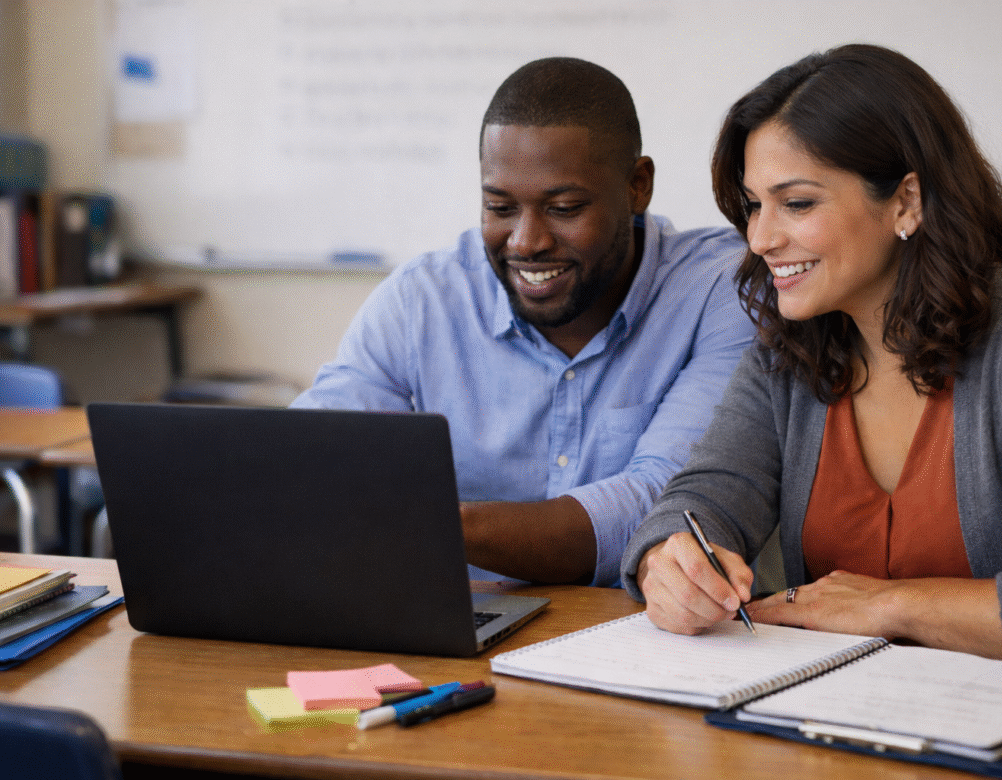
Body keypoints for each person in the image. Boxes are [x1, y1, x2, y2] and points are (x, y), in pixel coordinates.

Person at [621, 44, 1002, 675]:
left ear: (905, 201)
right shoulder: (788, 352)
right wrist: (669, 562)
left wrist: (894, 606)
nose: (761, 238)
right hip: (832, 728)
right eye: (753, 204)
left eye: (797, 204)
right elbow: (701, 500)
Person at [292, 57, 755, 586]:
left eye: (564, 207)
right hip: (452, 636)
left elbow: (667, 504)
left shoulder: (720, 290)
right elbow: (312, 456)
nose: (526, 241)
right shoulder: (424, 298)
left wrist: (434, 523)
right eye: (500, 207)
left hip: (641, 644)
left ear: (637, 186)